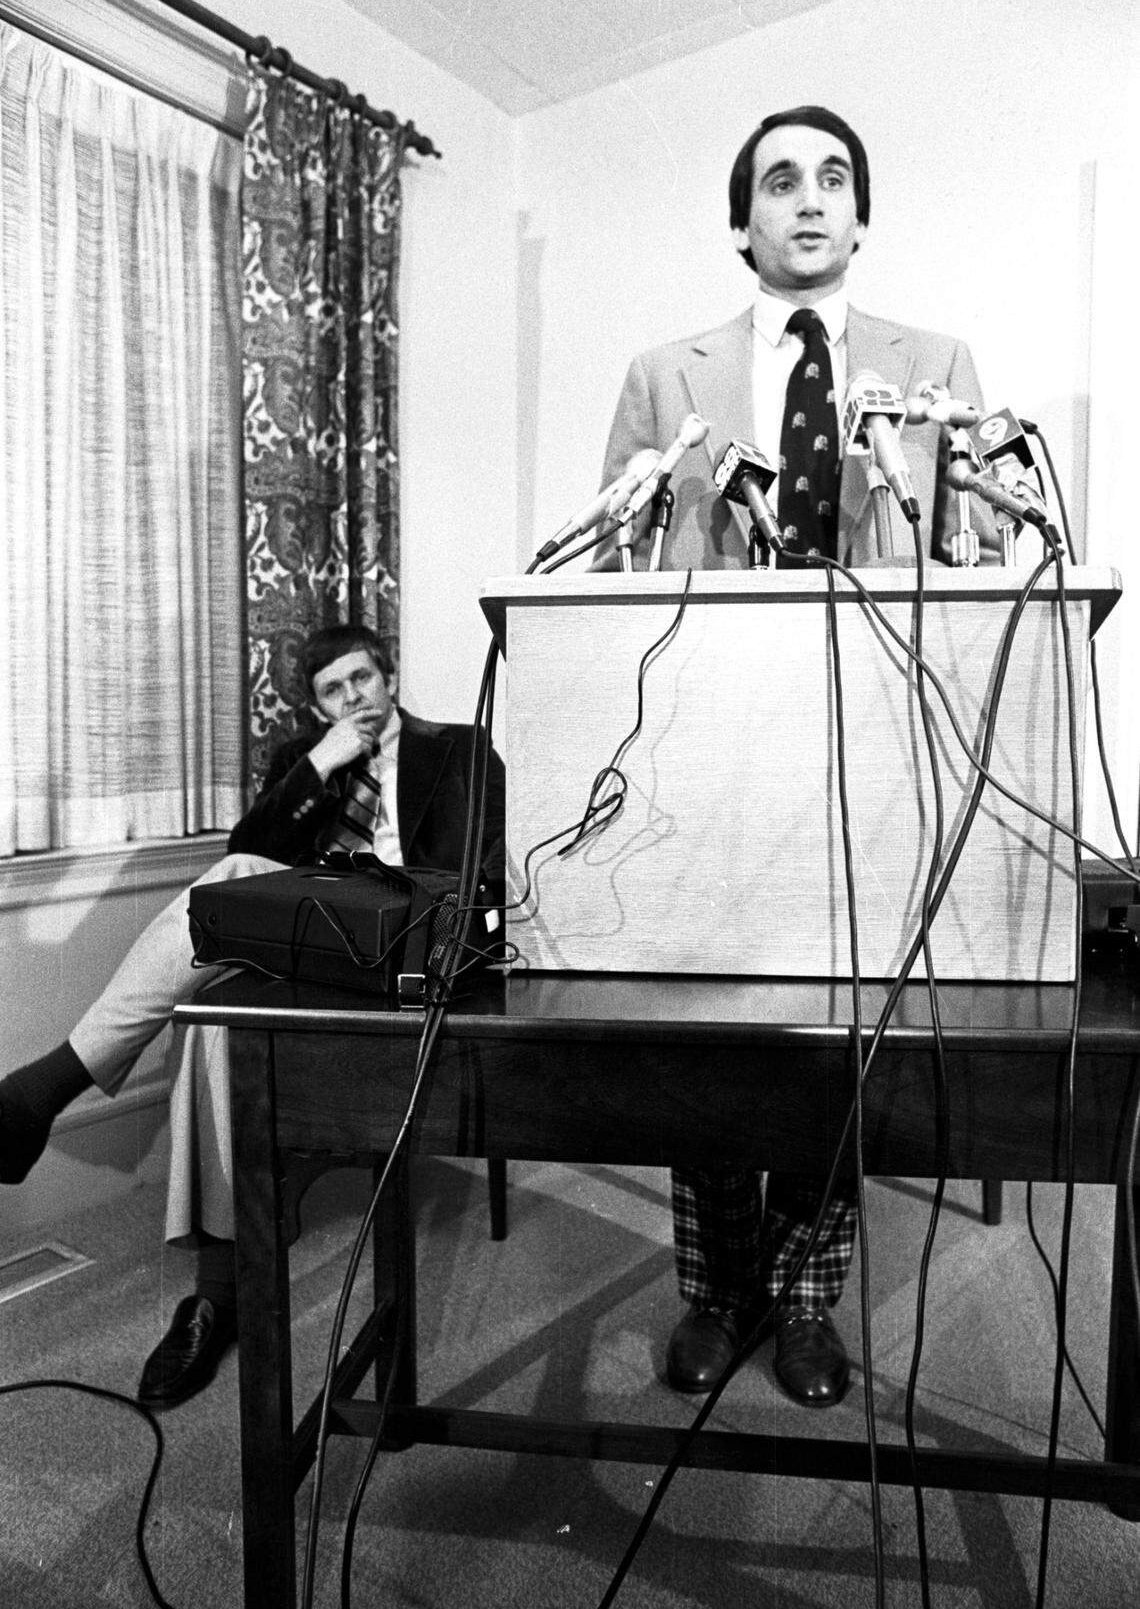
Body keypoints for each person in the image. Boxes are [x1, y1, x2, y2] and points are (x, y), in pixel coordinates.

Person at [598, 105, 993, 1407]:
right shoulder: (667, 371)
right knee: (712, 1024)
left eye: (833, 180)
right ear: (742, 224)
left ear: (861, 217)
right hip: (711, 735)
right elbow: (610, 571)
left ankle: (809, 1296)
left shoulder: (934, 362)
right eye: (781, 181)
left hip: (875, 735)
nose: (809, 199)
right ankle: (718, 1289)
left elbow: (978, 568)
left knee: (836, 1032)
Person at [0, 623, 504, 1406]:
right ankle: (215, 1293)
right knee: (211, 1014)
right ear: (315, 703)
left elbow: (487, 873)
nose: (353, 700)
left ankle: (46, 1092)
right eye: (333, 691)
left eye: (362, 680)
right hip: (311, 948)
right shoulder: (306, 764)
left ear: (389, 674)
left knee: (223, 935)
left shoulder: (459, 749)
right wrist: (320, 765)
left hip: (407, 949)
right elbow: (249, 859)